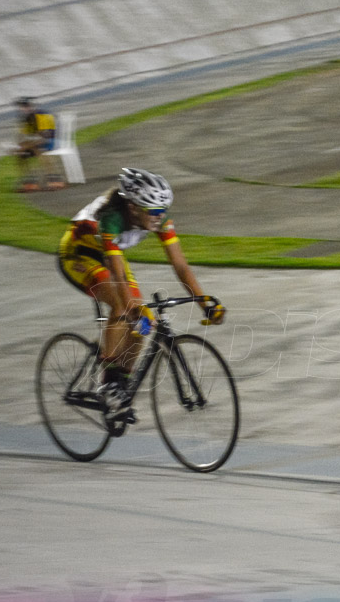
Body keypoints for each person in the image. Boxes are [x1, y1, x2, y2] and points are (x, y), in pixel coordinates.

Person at [58, 167, 226, 420]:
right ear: (133, 208)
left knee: (146, 320)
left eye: (163, 210)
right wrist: (132, 310)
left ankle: (120, 383)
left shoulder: (157, 218)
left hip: (108, 256)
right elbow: (117, 276)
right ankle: (108, 380)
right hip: (78, 254)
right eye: (155, 212)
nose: (160, 217)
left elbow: (180, 265)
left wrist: (204, 302)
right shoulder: (111, 219)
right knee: (123, 307)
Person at [12, 97, 64, 192]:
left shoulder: (42, 115)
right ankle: (30, 182)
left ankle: (55, 180)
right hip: (37, 143)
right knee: (20, 154)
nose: (23, 109)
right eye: (21, 107)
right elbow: (24, 136)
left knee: (39, 149)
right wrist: (19, 147)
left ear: (31, 106)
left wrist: (26, 145)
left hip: (52, 141)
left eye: (25, 106)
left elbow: (45, 137)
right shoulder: (25, 119)